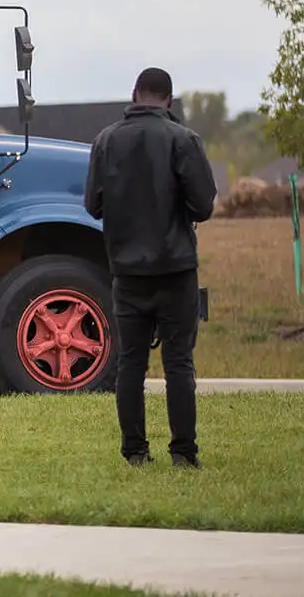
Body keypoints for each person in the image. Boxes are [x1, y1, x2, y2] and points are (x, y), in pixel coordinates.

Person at [84, 67, 216, 469]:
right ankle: (183, 454)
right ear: (169, 101)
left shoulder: (105, 141)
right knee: (179, 363)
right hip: (176, 269)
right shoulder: (184, 140)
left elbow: (93, 205)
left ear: (135, 95)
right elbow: (204, 206)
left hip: (126, 271)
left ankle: (135, 452)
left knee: (130, 364)